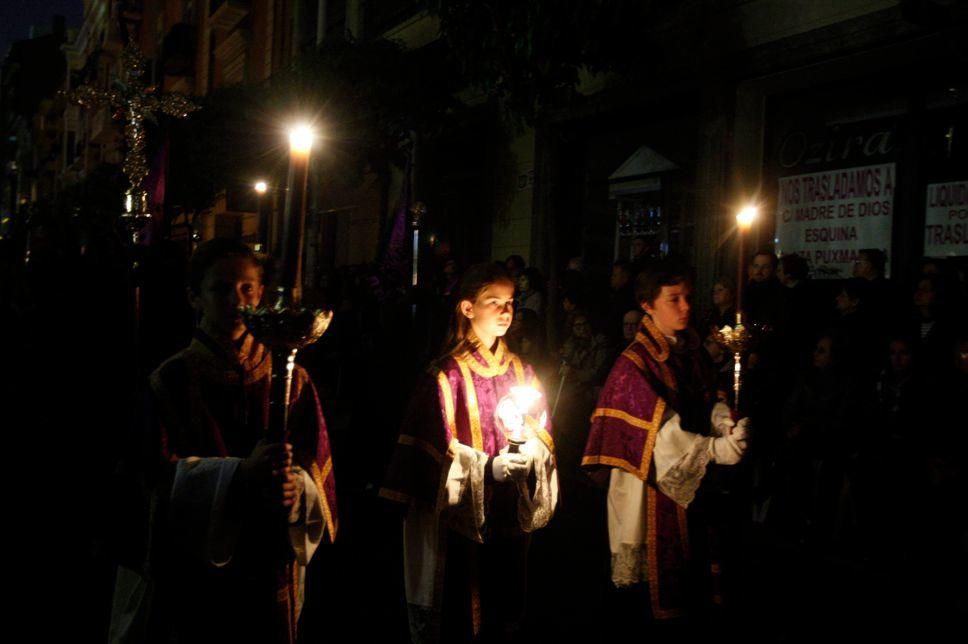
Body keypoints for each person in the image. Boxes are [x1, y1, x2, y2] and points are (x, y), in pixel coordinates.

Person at [110, 239, 337, 644]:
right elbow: (147, 482)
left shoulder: (292, 378)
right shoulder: (170, 382)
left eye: (247, 288)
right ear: (194, 297)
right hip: (199, 567)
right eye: (220, 289)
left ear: (262, 294)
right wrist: (237, 475)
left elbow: (316, 464)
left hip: (269, 554)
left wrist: (297, 487)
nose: (237, 300)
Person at [381, 263, 558, 643]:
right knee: (461, 613)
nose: (506, 312)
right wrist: (489, 468)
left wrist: (530, 453)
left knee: (504, 610)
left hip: (509, 513)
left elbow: (543, 433)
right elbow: (427, 461)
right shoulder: (445, 377)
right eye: (493, 302)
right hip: (460, 523)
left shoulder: (522, 371)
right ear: (467, 308)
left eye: (510, 302)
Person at [582, 258, 749, 619]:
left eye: (688, 296)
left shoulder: (690, 350)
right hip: (654, 487)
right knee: (656, 592)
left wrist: (724, 423)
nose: (686, 306)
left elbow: (708, 398)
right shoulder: (633, 363)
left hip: (698, 482)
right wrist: (716, 450)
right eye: (674, 298)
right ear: (647, 304)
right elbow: (659, 435)